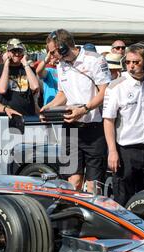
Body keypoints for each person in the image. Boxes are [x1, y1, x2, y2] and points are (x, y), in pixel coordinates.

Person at [40, 29, 111, 192]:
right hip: (70, 129)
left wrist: (84, 109)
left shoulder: (95, 60)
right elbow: (62, 93)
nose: (51, 57)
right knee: (73, 182)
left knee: (94, 186)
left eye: (53, 52)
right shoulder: (61, 66)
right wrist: (49, 107)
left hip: (93, 128)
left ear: (63, 47)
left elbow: (105, 92)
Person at [103, 43, 144, 206]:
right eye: (128, 62)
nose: (131, 66)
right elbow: (108, 120)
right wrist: (112, 151)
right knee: (123, 200)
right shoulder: (116, 86)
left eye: (136, 62)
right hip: (126, 151)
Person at [0, 38, 40, 116]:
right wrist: (6, 64)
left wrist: (25, 63)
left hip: (27, 114)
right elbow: (2, 89)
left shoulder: (28, 69)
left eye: (19, 51)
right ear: (7, 52)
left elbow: (35, 87)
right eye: (14, 51)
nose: (17, 54)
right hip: (7, 115)